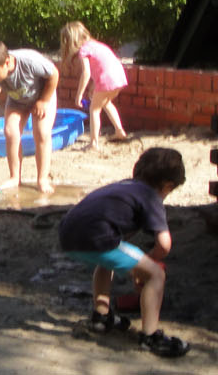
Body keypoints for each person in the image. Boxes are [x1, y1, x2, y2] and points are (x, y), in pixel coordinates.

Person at [57, 147, 189, 358]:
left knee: (108, 259)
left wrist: (139, 264)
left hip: (67, 234)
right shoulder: (151, 197)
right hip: (97, 237)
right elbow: (164, 245)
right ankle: (150, 337)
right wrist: (146, 266)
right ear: (167, 185)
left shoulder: (125, 187)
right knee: (156, 274)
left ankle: (101, 317)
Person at [0, 39, 59, 194]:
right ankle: (15, 177)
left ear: (7, 62)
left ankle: (42, 178)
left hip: (42, 95)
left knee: (41, 132)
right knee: (10, 132)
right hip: (17, 101)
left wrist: (43, 101)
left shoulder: (29, 62)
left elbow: (54, 74)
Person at [60, 21, 131, 146]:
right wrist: (94, 86)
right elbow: (102, 66)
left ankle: (93, 142)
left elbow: (86, 73)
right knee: (106, 103)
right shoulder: (96, 45)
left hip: (108, 79)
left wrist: (79, 95)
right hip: (119, 77)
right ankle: (120, 131)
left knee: (94, 110)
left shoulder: (83, 51)